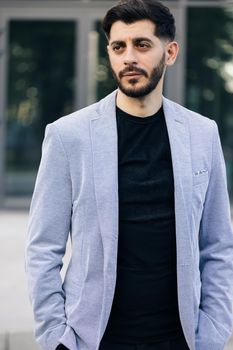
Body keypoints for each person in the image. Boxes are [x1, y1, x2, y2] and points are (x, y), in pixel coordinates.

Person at [25, 1, 233, 350]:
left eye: (142, 44)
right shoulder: (68, 135)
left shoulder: (202, 133)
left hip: (181, 339)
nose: (128, 57)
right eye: (118, 47)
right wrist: (56, 339)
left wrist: (211, 334)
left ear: (169, 52)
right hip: (95, 340)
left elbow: (218, 247)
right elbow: (43, 248)